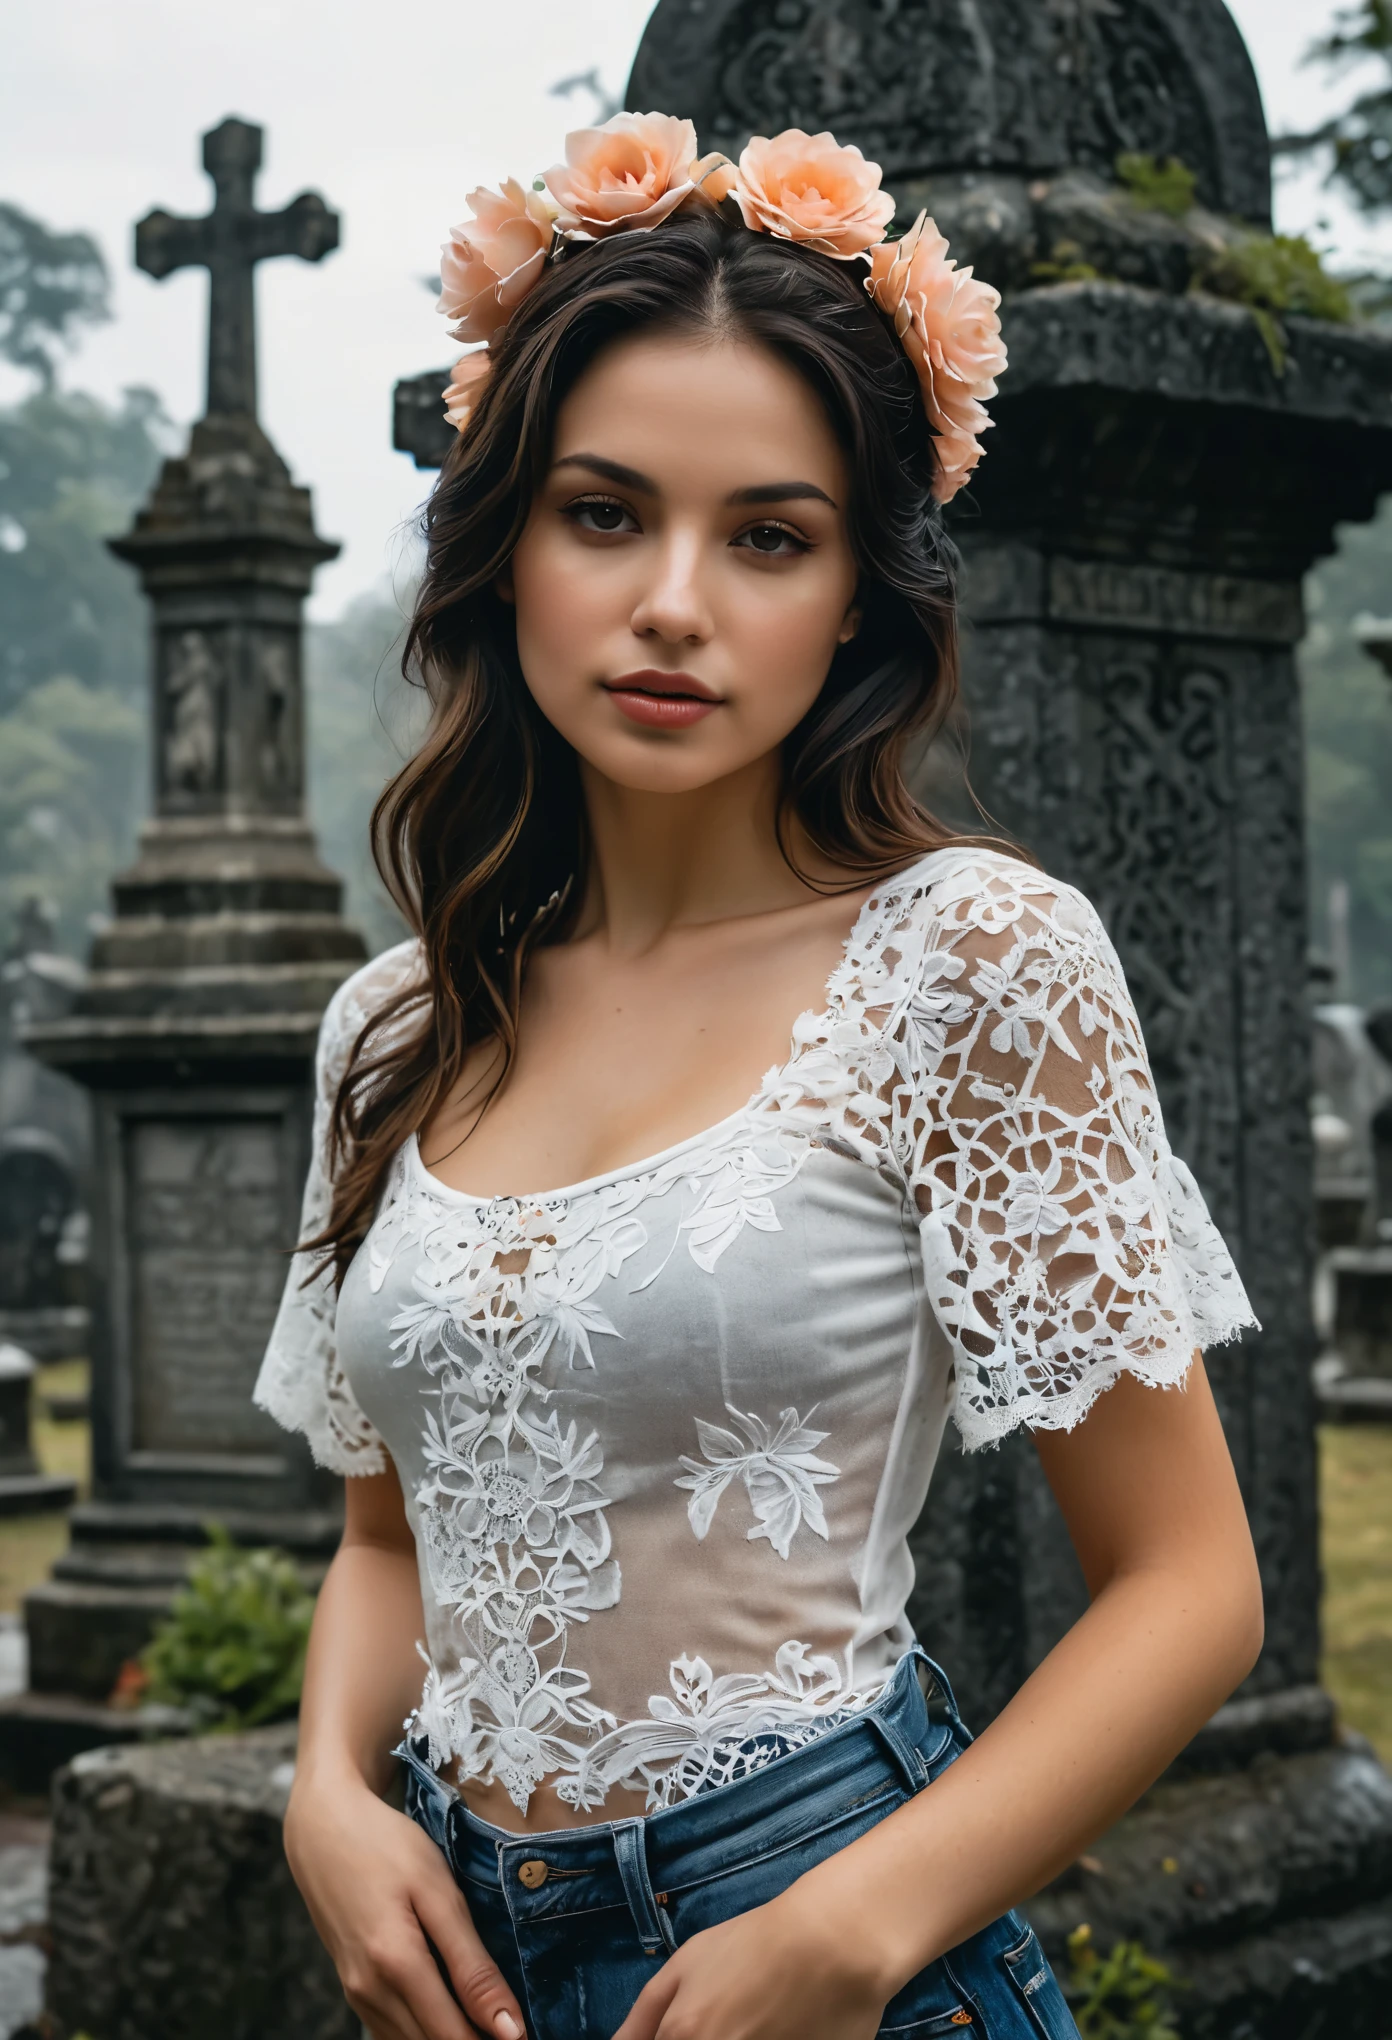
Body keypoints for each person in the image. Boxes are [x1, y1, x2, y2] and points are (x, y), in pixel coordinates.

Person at [255, 112, 1265, 2040]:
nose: (675, 604)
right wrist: (325, 1790)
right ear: (508, 544)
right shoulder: (399, 1026)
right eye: (606, 512)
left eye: (770, 536)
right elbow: (392, 1541)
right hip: (453, 1966)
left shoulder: (966, 961)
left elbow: (1190, 1586)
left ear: (861, 594)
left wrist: (857, 1927)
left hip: (819, 1942)